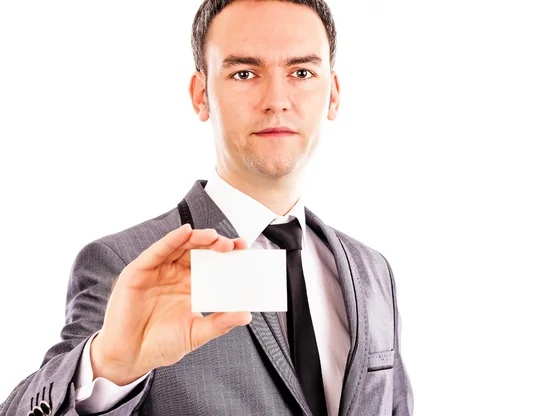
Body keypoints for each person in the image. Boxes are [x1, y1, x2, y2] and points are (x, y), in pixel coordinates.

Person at [0, 0, 413, 415]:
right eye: (245, 73)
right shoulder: (128, 265)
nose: (277, 99)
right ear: (201, 95)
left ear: (333, 94)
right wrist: (107, 365)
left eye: (301, 72)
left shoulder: (371, 271)